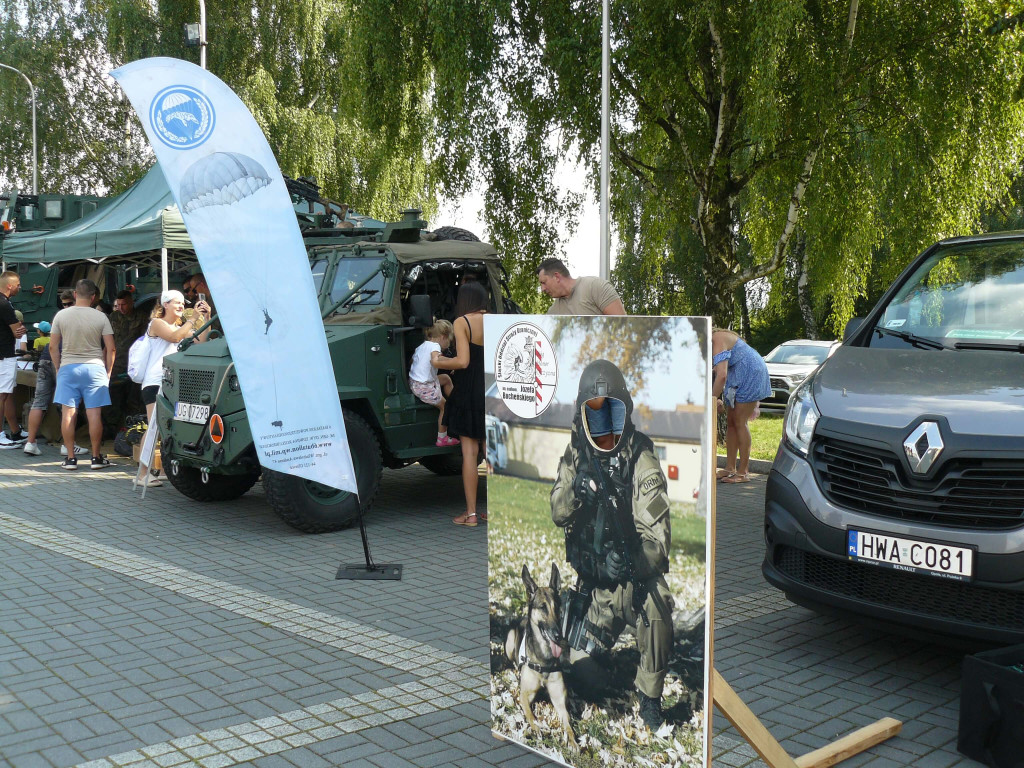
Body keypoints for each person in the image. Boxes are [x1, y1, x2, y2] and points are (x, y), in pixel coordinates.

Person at [551, 359, 673, 730]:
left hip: (630, 585)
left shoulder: (641, 459)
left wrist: (632, 562)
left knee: (658, 605)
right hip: (593, 590)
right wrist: (578, 490)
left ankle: (649, 697)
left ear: (626, 413)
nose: (604, 426)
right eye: (595, 415)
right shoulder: (575, 454)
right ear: (582, 416)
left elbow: (658, 542)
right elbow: (557, 511)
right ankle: (615, 666)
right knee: (585, 681)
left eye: (611, 414)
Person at [135, 290, 211, 487]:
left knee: (168, 428)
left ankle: (159, 469)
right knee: (154, 426)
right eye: (176, 303)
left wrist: (206, 317)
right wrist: (192, 318)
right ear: (165, 305)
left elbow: (202, 342)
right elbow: (175, 337)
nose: (181, 306)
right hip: (155, 381)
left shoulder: (181, 326)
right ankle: (143, 473)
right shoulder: (157, 323)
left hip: (173, 384)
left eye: (182, 303)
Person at [433, 282, 487, 526]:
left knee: (469, 453)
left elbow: (463, 362)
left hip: (468, 392)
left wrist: (439, 362)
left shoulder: (461, 322)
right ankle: (499, 509)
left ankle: (472, 514)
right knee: (491, 453)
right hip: (492, 391)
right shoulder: (495, 319)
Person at [49, 279, 115, 469]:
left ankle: (70, 458)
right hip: (94, 368)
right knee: (94, 414)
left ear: (75, 294)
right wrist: (108, 372)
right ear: (94, 297)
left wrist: (58, 368)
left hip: (68, 367)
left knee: (68, 414)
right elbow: (111, 349)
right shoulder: (101, 317)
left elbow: (53, 346)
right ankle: (96, 458)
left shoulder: (61, 315)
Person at [712, 327, 771, 483]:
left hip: (752, 373)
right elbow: (715, 371)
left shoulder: (717, 338)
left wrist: (711, 399)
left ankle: (743, 472)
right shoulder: (714, 340)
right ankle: (730, 467)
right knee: (731, 421)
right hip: (739, 374)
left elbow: (722, 375)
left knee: (739, 421)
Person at [409, 318, 459, 447]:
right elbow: (436, 359)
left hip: (415, 382)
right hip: (424, 386)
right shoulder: (435, 347)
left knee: (446, 378)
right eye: (449, 339)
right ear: (443, 337)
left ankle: (456, 400)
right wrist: (453, 363)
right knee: (445, 407)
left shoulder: (422, 345)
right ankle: (442, 438)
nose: (449, 343)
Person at [106, 290, 148, 438]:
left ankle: (133, 429)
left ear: (131, 302)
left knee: (134, 399)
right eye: (118, 305)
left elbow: (145, 341)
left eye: (124, 304)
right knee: (114, 398)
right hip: (117, 364)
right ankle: (112, 429)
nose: (121, 308)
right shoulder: (113, 317)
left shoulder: (142, 317)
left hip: (134, 365)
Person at [536, 258, 626, 315]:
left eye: (544, 282)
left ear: (557, 277)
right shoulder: (553, 312)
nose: (543, 289)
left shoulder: (595, 287)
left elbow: (622, 325)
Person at [0, 271, 29, 447]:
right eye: (18, 284)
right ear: (9, 285)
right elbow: (17, 330)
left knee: (6, 395)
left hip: (3, 354)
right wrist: (20, 329)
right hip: (4, 355)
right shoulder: (5, 304)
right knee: (2, 395)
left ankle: (14, 431)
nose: (20, 287)